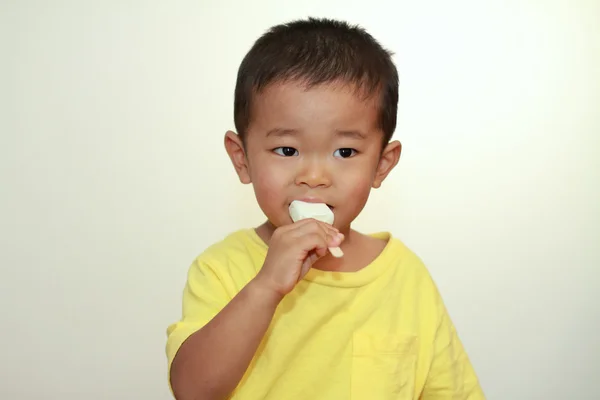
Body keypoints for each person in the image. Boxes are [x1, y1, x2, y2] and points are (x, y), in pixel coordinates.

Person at [166, 17, 485, 400]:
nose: (314, 176)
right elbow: (192, 390)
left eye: (345, 152)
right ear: (242, 159)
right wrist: (266, 286)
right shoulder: (221, 269)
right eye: (287, 150)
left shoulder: (406, 278)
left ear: (382, 164)